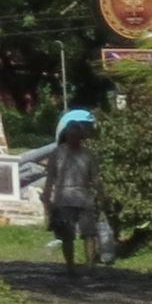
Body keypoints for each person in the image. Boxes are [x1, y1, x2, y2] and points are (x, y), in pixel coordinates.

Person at [42, 108, 105, 274]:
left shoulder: (88, 155)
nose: (75, 139)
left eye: (77, 136)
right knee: (67, 235)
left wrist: (102, 195)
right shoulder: (58, 153)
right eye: (72, 135)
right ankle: (70, 266)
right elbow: (50, 177)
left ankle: (90, 266)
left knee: (89, 233)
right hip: (64, 198)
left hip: (84, 198)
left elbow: (95, 178)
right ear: (67, 136)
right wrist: (47, 198)